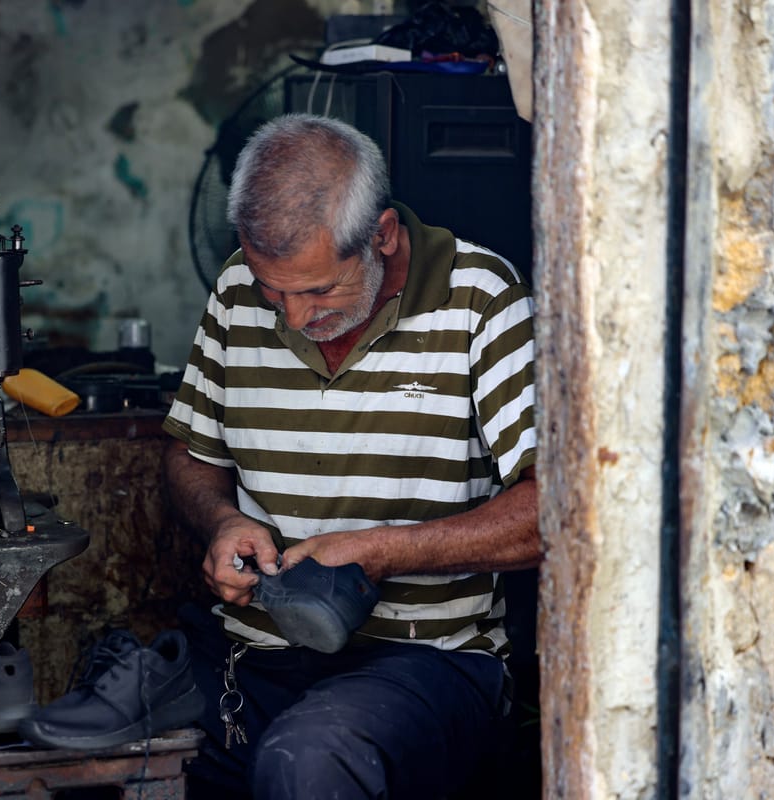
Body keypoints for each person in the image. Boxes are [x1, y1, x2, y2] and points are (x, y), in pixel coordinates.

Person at [162, 112, 541, 799]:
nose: (293, 318)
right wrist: (220, 521)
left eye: (316, 291)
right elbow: (192, 454)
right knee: (101, 737)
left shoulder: (482, 301)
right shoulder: (235, 292)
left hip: (428, 659)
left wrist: (379, 550)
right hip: (254, 652)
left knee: (310, 761)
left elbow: (553, 512)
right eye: (274, 291)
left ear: (383, 236)